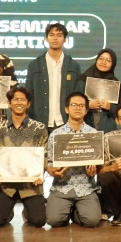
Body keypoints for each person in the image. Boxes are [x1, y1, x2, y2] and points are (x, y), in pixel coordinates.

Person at [0, 86, 48, 228]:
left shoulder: (39, 128)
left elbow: (44, 155)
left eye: (23, 100)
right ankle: (8, 212)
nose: (19, 102)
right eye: (15, 99)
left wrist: (40, 174)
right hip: (7, 186)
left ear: (28, 104)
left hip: (31, 185)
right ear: (9, 103)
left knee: (38, 221)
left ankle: (28, 211)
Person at [45, 92, 102, 228]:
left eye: (81, 105)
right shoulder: (56, 134)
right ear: (66, 109)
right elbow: (49, 163)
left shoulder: (93, 134)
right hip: (62, 186)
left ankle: (76, 213)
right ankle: (66, 210)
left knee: (92, 221)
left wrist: (94, 168)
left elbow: (99, 162)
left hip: (86, 187)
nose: (77, 108)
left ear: (86, 110)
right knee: (54, 221)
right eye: (74, 105)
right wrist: (52, 171)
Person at [26, 22, 82, 131]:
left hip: (66, 122)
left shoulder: (73, 66)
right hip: (40, 122)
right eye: (51, 35)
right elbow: (29, 94)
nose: (55, 38)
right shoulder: (35, 65)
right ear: (46, 39)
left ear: (65, 40)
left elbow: (78, 95)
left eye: (59, 35)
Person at [74, 48, 121, 133]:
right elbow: (74, 104)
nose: (103, 62)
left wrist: (110, 107)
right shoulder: (83, 80)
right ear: (96, 60)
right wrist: (87, 105)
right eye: (101, 59)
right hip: (84, 128)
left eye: (108, 60)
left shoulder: (115, 84)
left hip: (108, 130)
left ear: (113, 64)